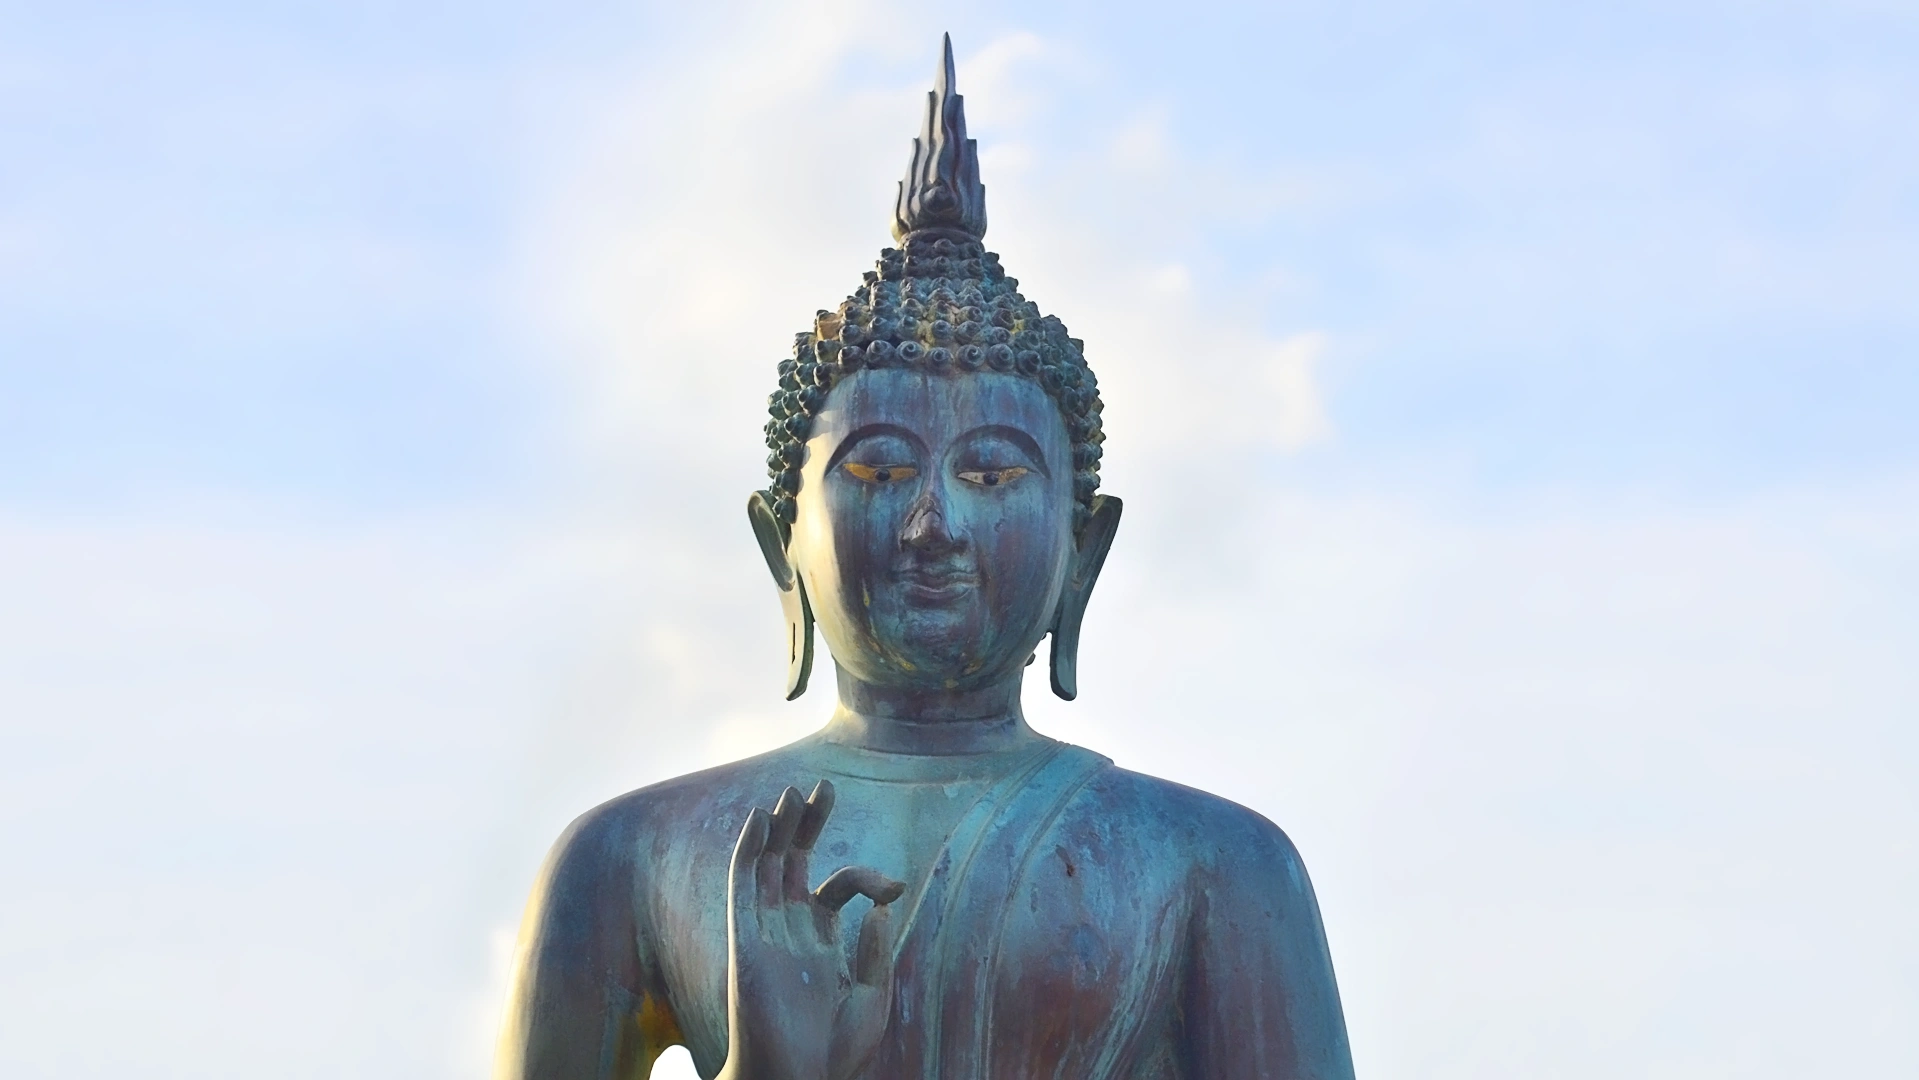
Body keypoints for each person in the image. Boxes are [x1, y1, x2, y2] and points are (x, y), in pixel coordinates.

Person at [496, 35, 1355, 1080]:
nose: (932, 524)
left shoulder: (1216, 870)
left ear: (1082, 555)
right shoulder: (628, 864)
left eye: (991, 475)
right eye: (879, 472)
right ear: (782, 546)